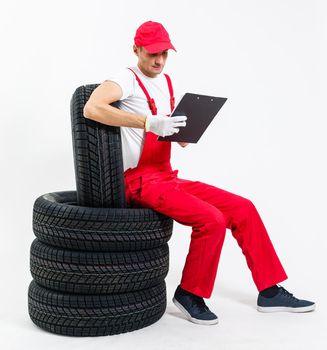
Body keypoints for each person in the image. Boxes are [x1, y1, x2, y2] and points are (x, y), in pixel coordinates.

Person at [83, 20, 316, 325]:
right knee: (211, 219)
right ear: (135, 49)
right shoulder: (124, 79)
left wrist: (181, 132)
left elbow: (167, 132)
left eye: (164, 53)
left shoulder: (166, 82)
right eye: (152, 53)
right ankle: (189, 294)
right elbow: (92, 108)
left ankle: (269, 291)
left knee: (243, 208)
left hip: (166, 175)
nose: (159, 60)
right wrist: (148, 123)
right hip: (138, 181)